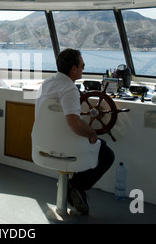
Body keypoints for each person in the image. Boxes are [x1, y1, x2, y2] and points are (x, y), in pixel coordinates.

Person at [35, 48, 115, 215]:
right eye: (82, 66)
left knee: (97, 146)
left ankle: (73, 187)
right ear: (73, 69)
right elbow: (73, 123)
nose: (83, 68)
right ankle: (75, 185)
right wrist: (92, 134)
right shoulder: (69, 89)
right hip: (67, 149)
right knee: (106, 154)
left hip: (41, 144)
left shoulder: (47, 83)